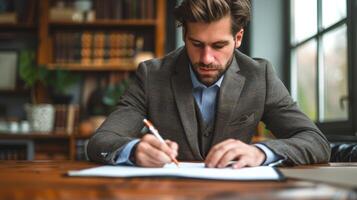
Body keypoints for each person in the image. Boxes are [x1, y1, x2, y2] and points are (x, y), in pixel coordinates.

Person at [87, 0, 330, 168]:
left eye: (218, 46)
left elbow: (315, 141)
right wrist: (133, 150)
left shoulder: (260, 76)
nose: (206, 59)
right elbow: (100, 141)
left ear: (238, 38)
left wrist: (261, 153)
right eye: (196, 44)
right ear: (185, 37)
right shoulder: (152, 75)